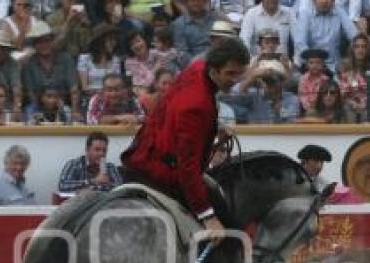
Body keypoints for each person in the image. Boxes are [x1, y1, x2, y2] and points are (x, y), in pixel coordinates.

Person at [121, 37, 251, 241]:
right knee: (233, 234)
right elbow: (187, 168)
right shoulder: (197, 105)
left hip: (142, 155)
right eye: (230, 73)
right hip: (160, 173)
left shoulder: (197, 68)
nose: (235, 80)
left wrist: (214, 128)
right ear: (214, 70)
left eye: (239, 73)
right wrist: (207, 215)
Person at [22, 21, 80, 120]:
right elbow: (31, 93)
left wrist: (74, 110)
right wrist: (38, 110)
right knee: (29, 114)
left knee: (74, 117)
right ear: (34, 45)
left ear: (52, 41)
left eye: (47, 41)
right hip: (39, 105)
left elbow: (74, 88)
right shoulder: (29, 63)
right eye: (40, 42)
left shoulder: (65, 58)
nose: (44, 45)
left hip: (63, 104)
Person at [293, 0, 358, 70]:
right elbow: (300, 43)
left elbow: (354, 36)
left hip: (334, 66)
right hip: (310, 65)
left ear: (333, 1)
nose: (324, 1)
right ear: (313, 1)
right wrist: (315, 62)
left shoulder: (340, 12)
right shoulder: (305, 14)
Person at [57, 131, 123, 198]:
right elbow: (63, 186)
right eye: (97, 150)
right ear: (87, 150)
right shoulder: (74, 165)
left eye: (104, 150)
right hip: (79, 205)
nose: (101, 154)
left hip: (103, 206)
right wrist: (92, 181)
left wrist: (106, 185)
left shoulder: (110, 167)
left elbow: (120, 189)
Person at [298, 47, 330, 114]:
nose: (314, 65)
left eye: (318, 63)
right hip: (307, 108)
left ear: (323, 65)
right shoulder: (303, 79)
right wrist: (309, 107)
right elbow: (303, 96)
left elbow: (327, 96)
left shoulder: (326, 79)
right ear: (307, 65)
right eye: (311, 63)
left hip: (323, 107)